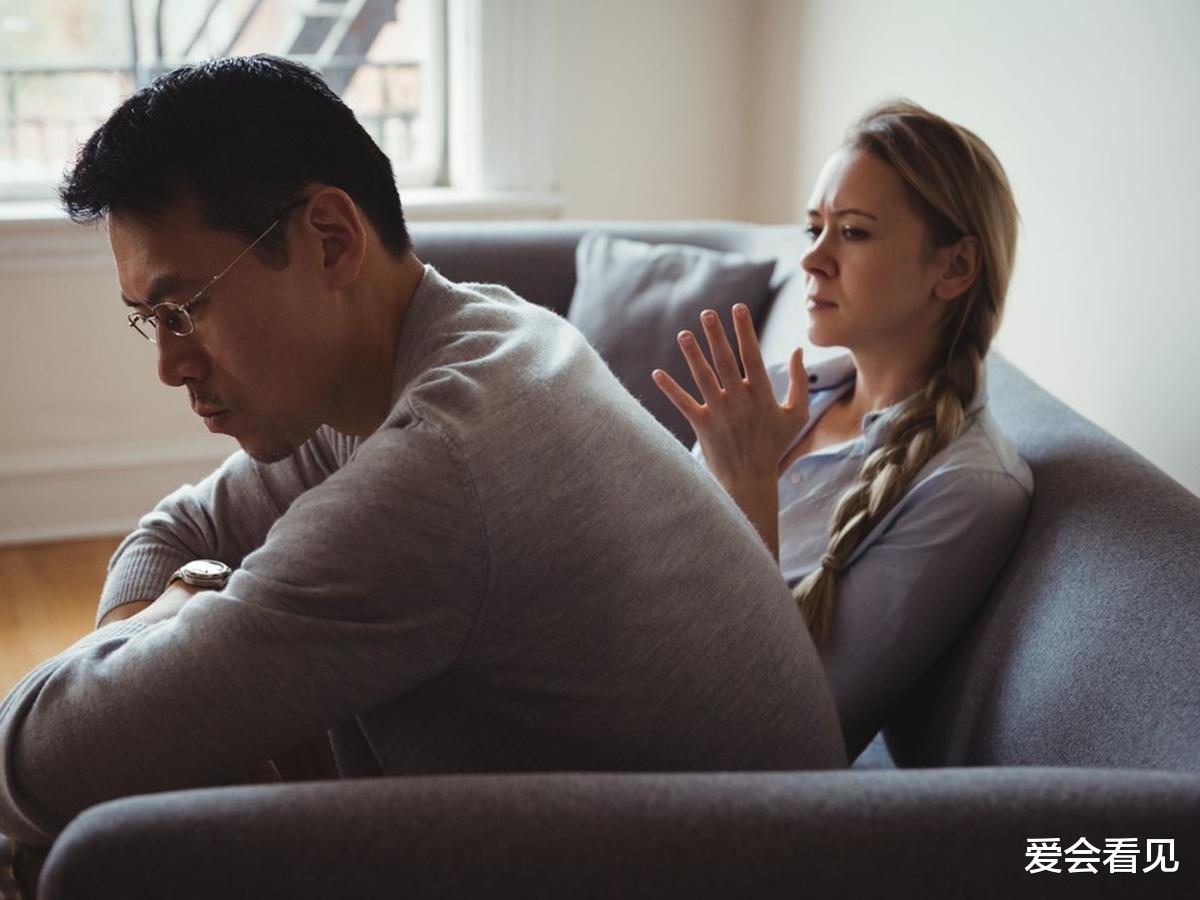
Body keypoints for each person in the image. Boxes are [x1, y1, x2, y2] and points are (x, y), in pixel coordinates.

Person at [0, 55, 847, 850]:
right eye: (151, 321)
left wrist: (185, 610)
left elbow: (31, 760)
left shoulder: (445, 466)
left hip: (750, 867)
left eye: (184, 308)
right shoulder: (471, 338)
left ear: (330, 239)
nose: (169, 364)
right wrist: (169, 613)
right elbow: (176, 531)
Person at [654, 100, 1034, 760]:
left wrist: (748, 492)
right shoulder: (776, 392)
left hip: (674, 764)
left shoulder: (967, 488)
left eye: (853, 233)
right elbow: (647, 561)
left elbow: (787, 736)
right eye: (813, 230)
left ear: (955, 269)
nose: (813, 261)